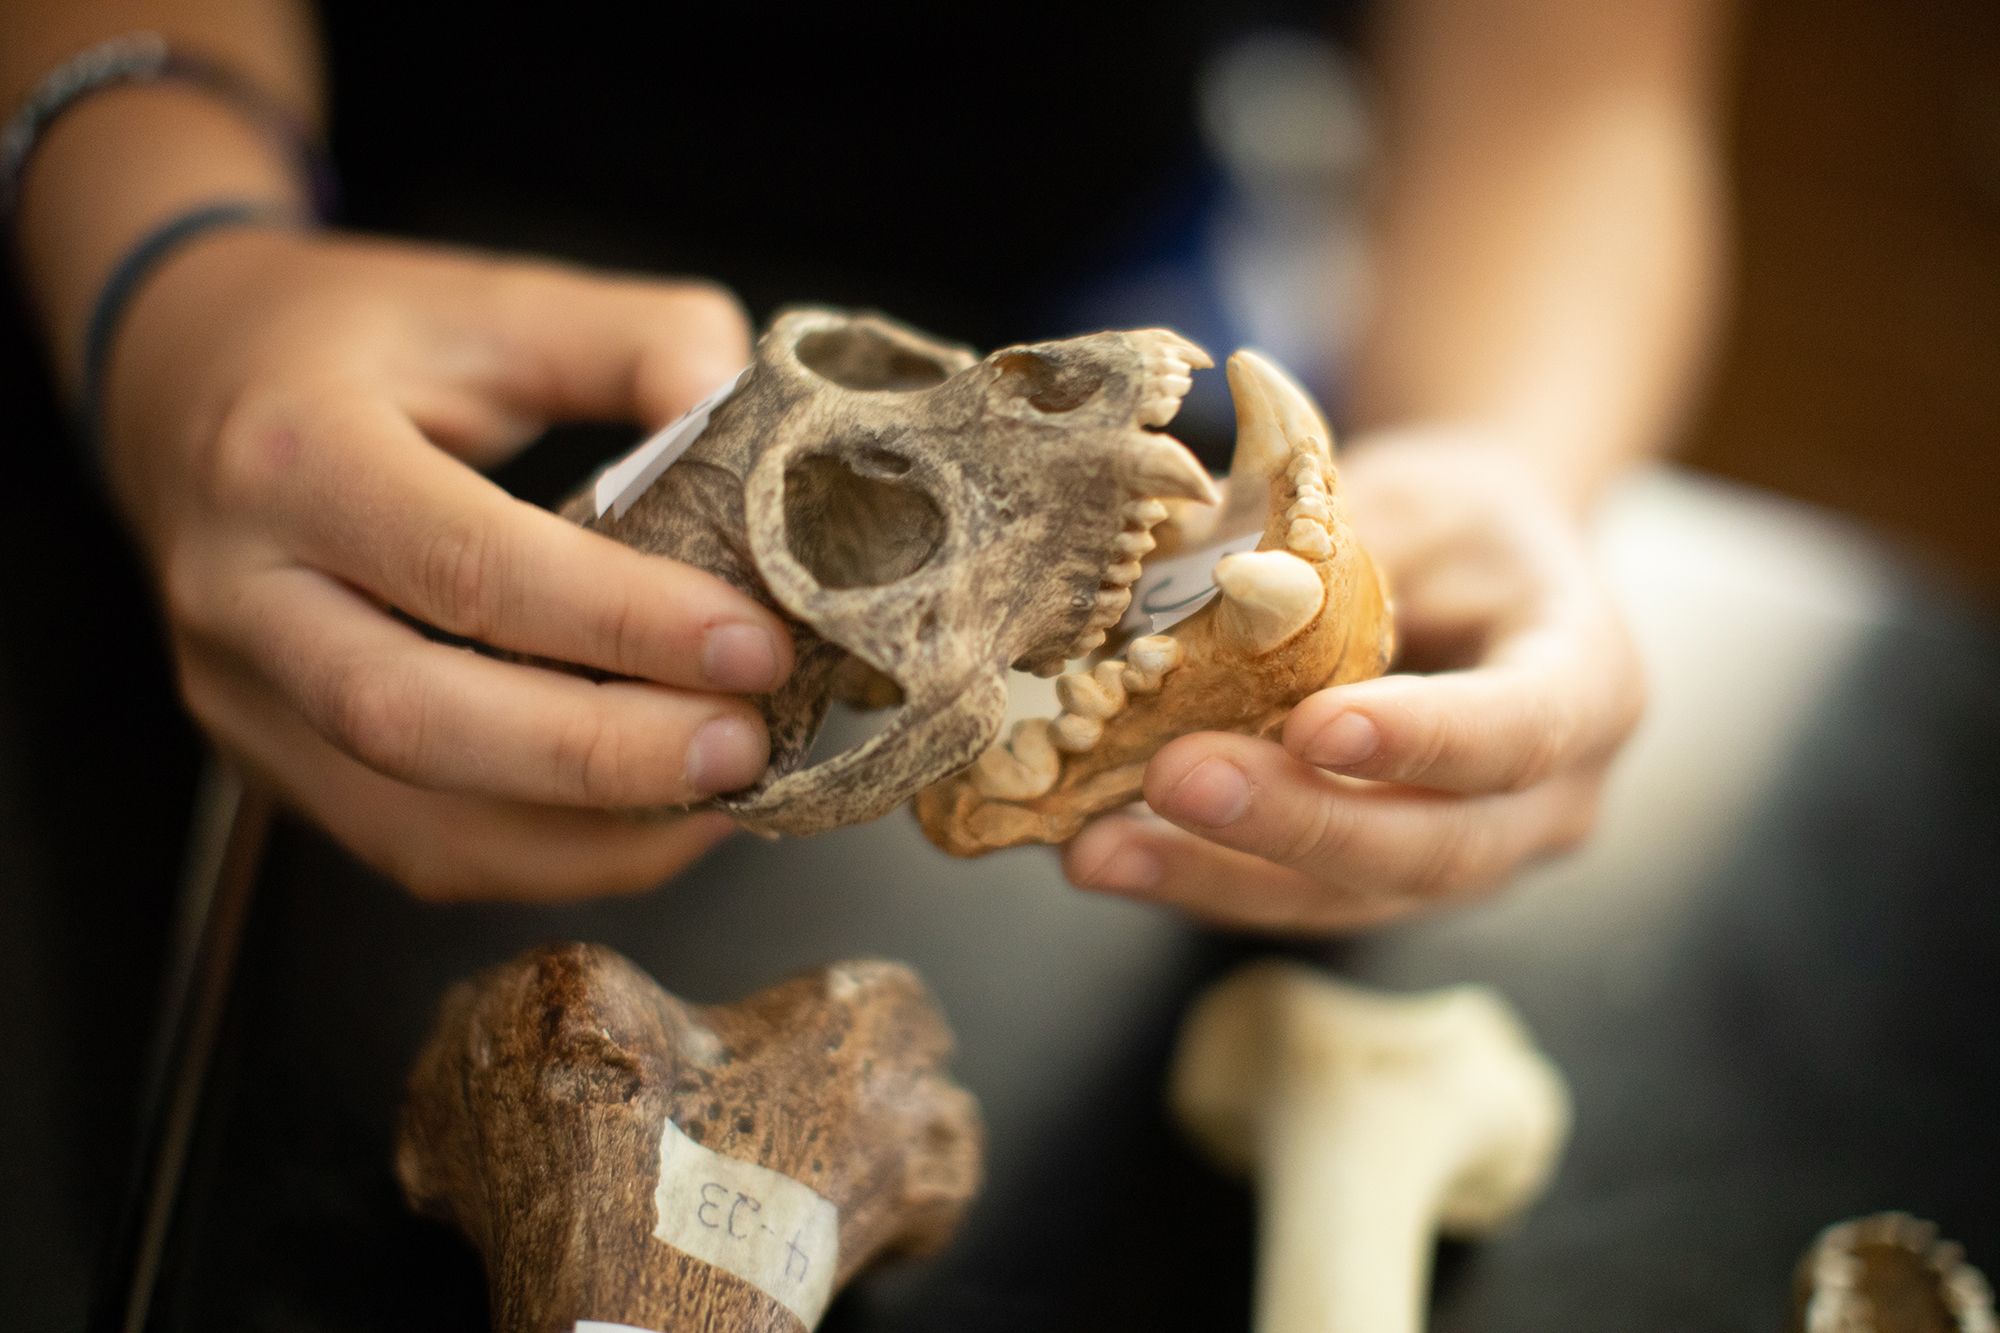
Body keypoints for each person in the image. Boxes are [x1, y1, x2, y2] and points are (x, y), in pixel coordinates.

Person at [0, 0, 1728, 927]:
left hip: (1089, 256)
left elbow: (1572, 94)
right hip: (329, 284)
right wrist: (170, 275)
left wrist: (1505, 464)